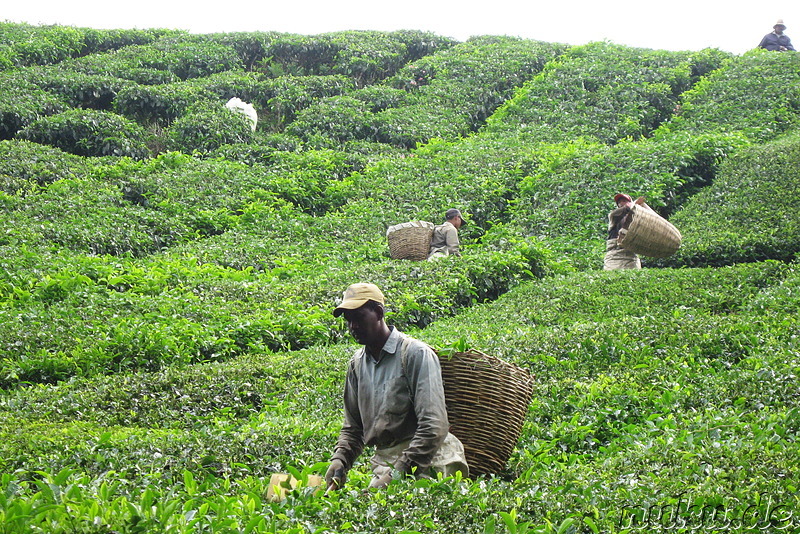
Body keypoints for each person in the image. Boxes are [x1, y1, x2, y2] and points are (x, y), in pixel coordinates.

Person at [325, 283, 469, 490]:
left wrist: (400, 471)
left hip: (431, 461)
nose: (352, 326)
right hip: (386, 462)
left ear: (378, 312)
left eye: (358, 318)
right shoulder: (357, 365)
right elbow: (354, 428)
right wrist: (340, 460)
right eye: (349, 320)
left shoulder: (415, 354)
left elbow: (433, 426)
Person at [603, 193, 641, 270]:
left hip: (631, 256)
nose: (621, 203)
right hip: (615, 255)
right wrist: (632, 205)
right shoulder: (613, 216)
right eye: (619, 202)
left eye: (624, 201)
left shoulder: (635, 219)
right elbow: (624, 210)